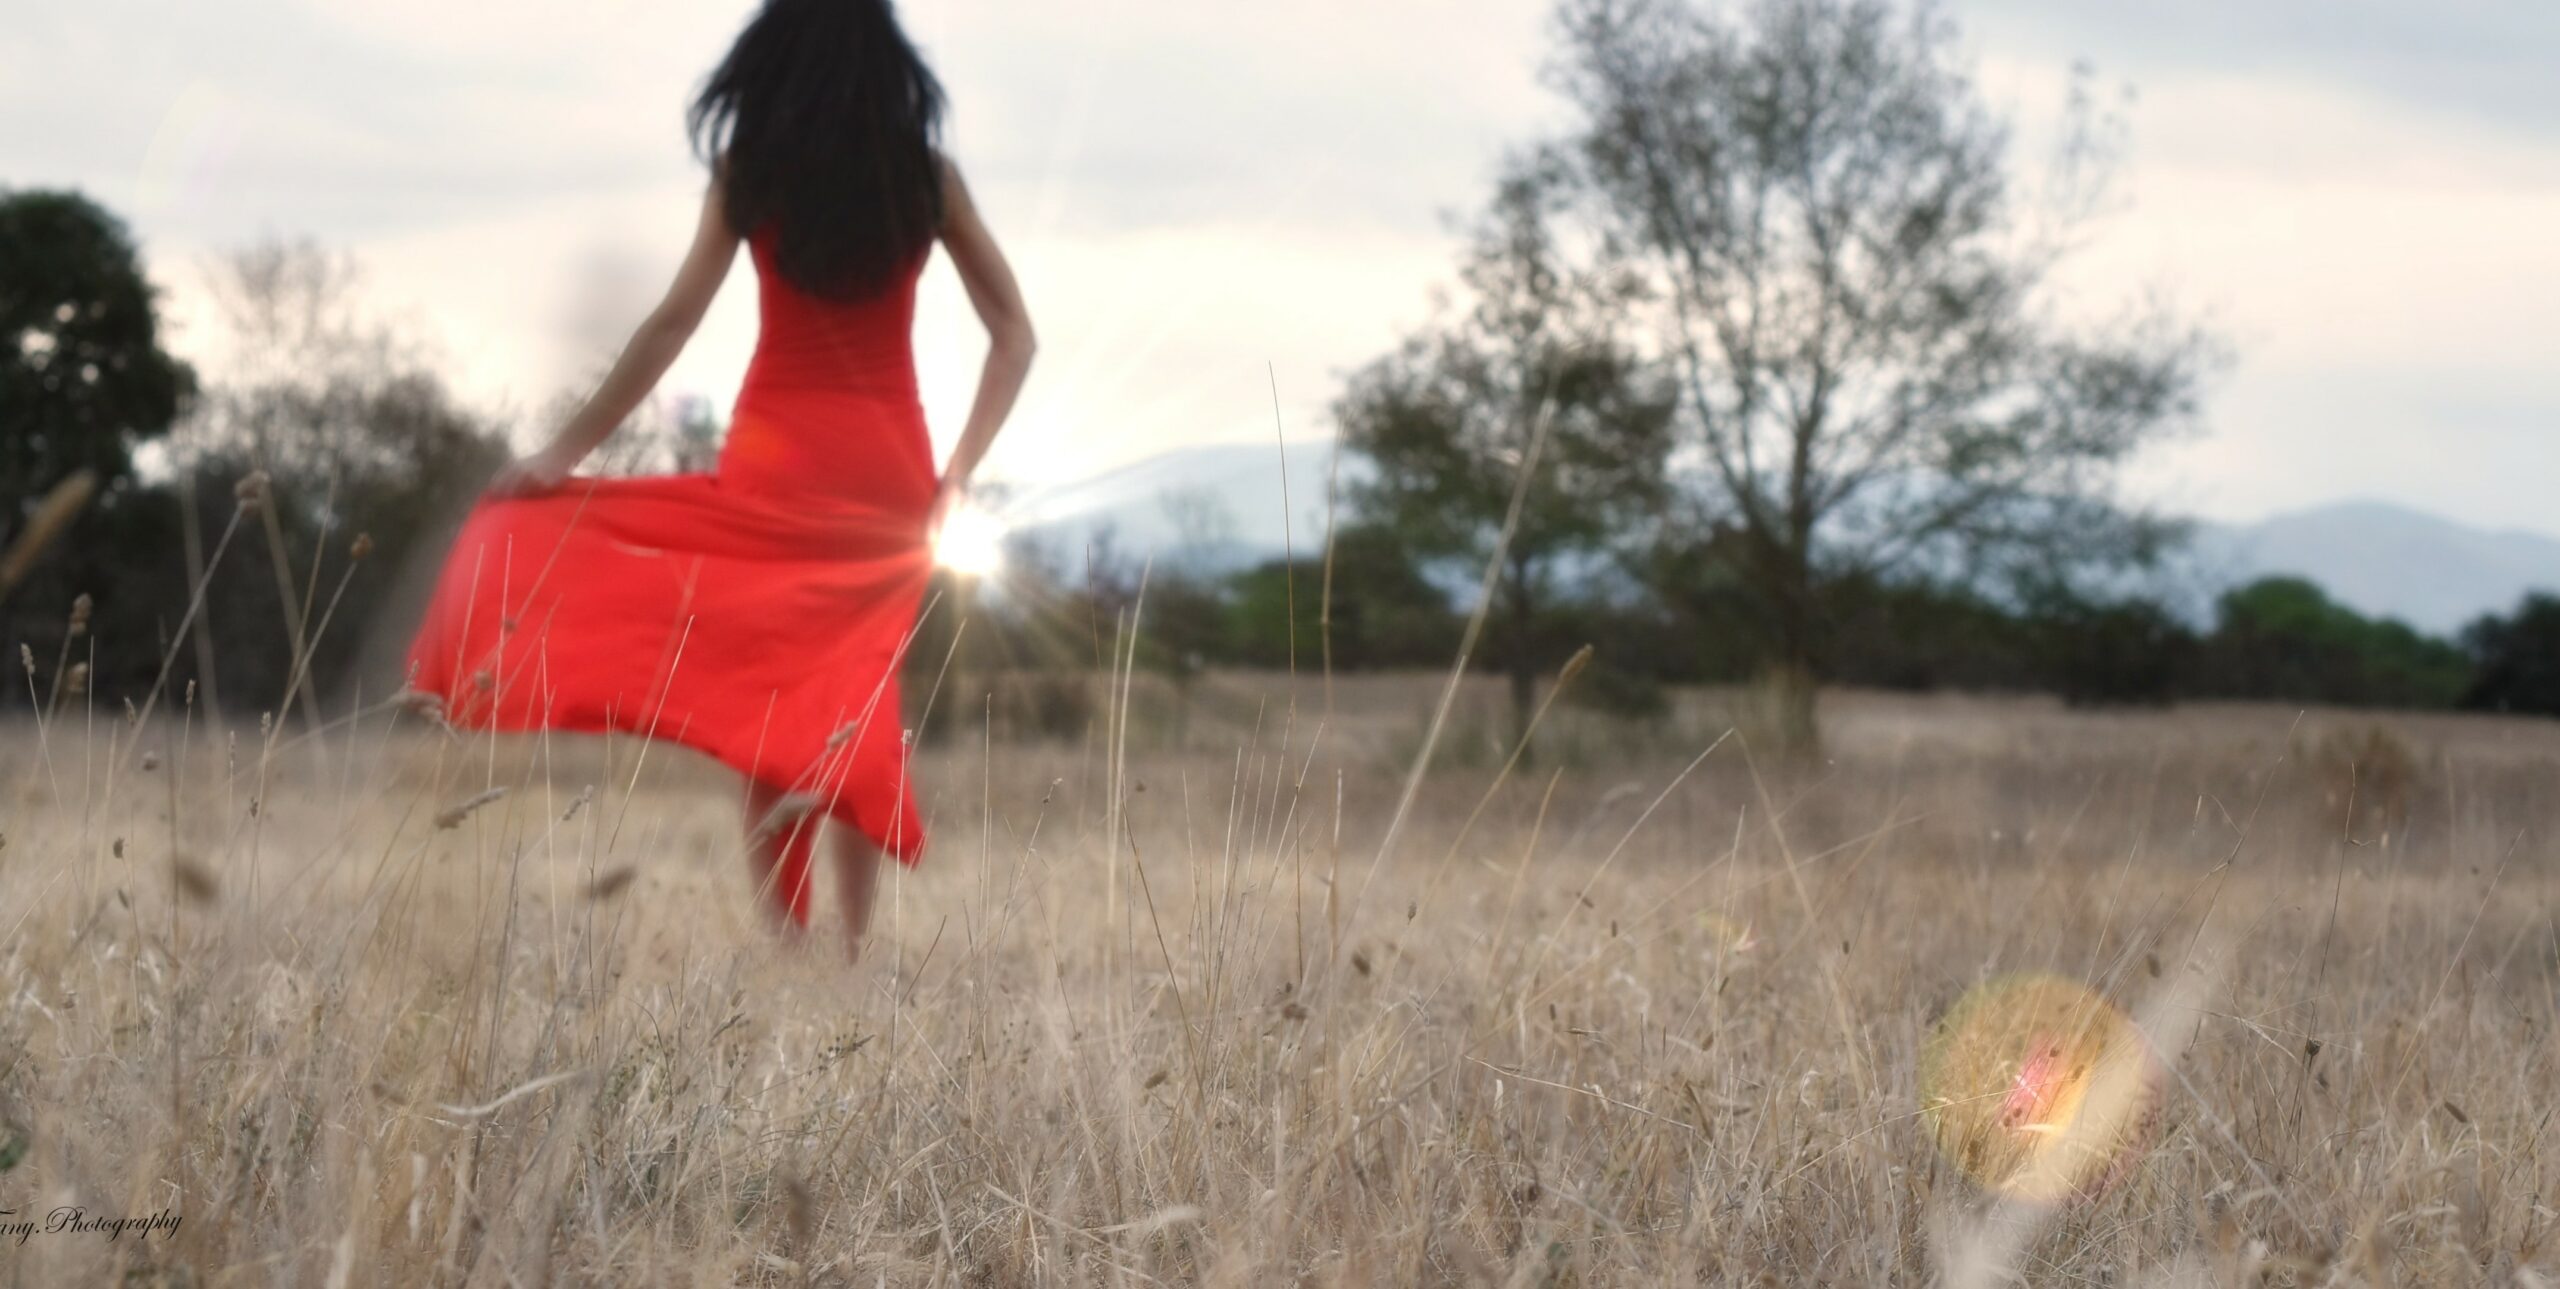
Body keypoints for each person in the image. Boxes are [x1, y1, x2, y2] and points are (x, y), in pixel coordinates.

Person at [402, 0, 1033, 958]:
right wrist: (956, 476)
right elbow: (1014, 338)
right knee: (858, 697)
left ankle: (790, 948)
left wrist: (562, 455)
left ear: (775, 54)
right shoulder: (925, 178)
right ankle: (852, 957)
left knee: (767, 706)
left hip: (773, 459)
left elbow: (671, 325)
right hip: (887, 476)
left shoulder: (752, 174)